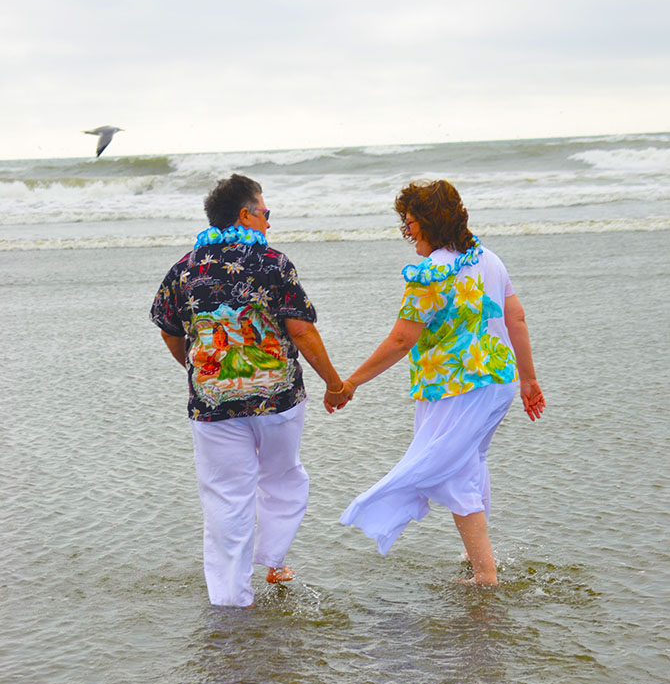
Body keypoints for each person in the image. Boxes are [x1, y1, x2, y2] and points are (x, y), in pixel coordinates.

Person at [151, 173, 352, 607]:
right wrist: (334, 385)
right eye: (266, 212)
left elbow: (169, 330)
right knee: (284, 476)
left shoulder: (183, 269)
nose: (269, 222)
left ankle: (231, 601)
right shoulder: (274, 264)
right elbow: (300, 330)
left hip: (212, 405)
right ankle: (273, 557)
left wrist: (202, 366)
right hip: (277, 400)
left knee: (226, 498)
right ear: (246, 214)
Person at [335, 179, 545, 586]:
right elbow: (516, 317)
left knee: (451, 473)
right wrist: (528, 379)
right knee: (470, 463)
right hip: (497, 383)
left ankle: (485, 574)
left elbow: (401, 339)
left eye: (411, 222)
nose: (407, 230)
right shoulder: (489, 259)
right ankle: (476, 556)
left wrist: (352, 382)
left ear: (431, 222)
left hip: (456, 389)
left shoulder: (432, 273)